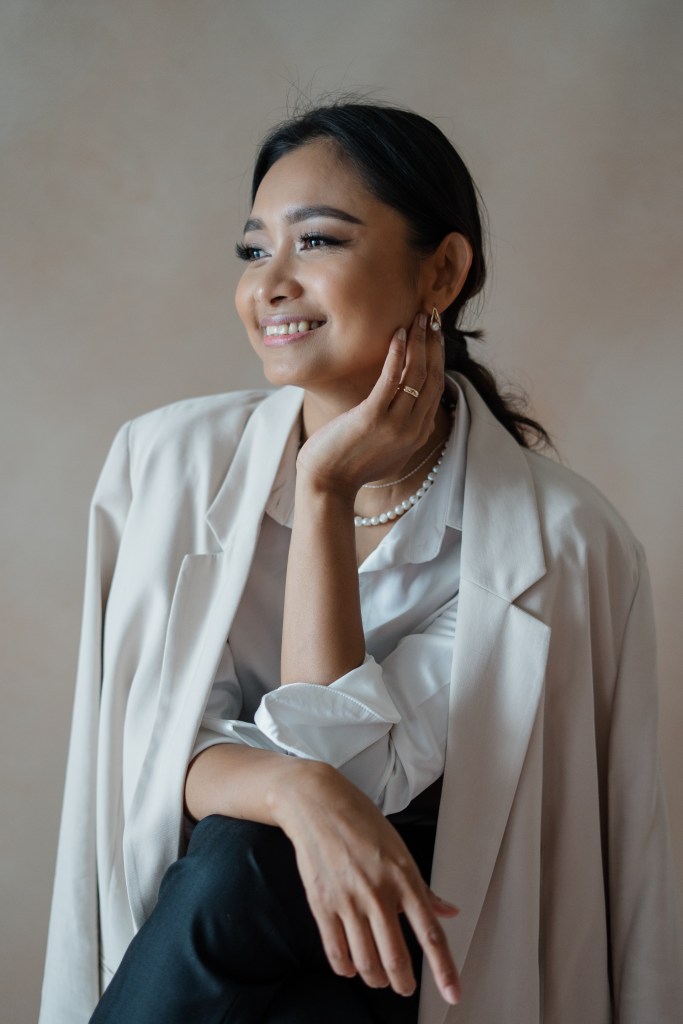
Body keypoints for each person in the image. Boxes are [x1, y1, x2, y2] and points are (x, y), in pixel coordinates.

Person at [40, 102, 682, 1024]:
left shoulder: (559, 541)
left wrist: (324, 491)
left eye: (317, 242)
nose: (271, 284)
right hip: (207, 938)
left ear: (442, 272)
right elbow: (144, 751)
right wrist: (292, 790)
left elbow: (352, 769)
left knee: (246, 862)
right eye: (254, 250)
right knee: (240, 856)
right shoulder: (164, 465)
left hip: (422, 968)